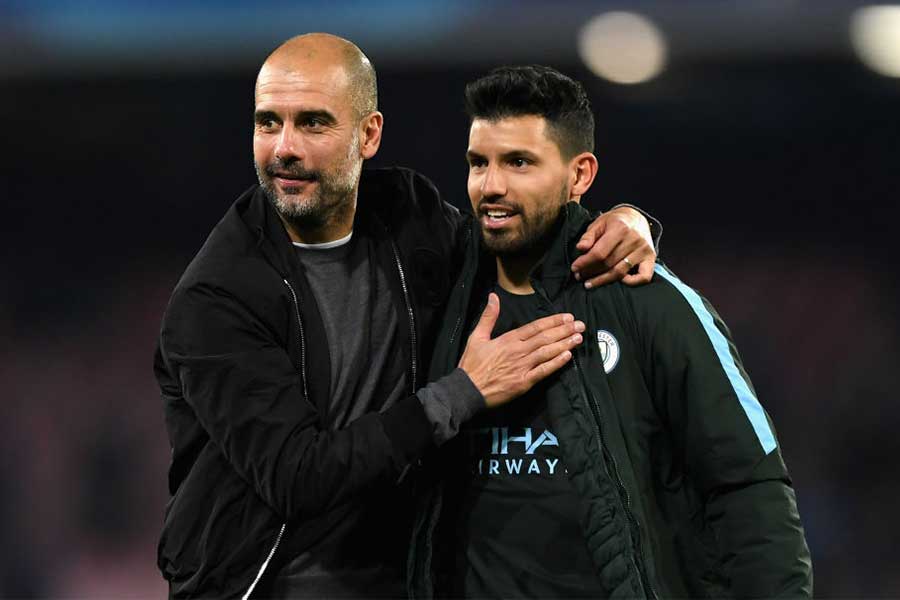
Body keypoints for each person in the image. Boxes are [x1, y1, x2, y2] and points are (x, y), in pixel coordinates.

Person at [153, 34, 661, 598]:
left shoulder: (407, 214)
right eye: (268, 123)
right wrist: (463, 392)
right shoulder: (215, 298)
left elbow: (515, 251)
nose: (284, 148)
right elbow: (298, 477)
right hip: (270, 585)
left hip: (409, 576)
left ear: (369, 134)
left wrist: (625, 220)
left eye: (313, 123)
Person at [408, 65, 813, 599]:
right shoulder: (436, 300)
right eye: (478, 163)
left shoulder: (653, 301)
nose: (491, 186)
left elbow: (747, 484)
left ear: (580, 175)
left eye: (519, 162)